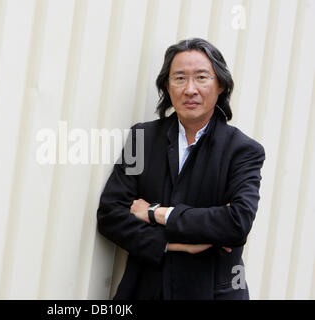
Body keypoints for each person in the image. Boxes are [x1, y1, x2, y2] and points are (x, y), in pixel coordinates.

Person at [97, 38, 265, 300]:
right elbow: (111, 214)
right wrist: (170, 244)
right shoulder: (141, 138)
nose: (190, 89)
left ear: (220, 84)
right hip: (144, 290)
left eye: (201, 77)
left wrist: (156, 213)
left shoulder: (243, 150)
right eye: (179, 78)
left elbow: (236, 223)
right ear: (166, 86)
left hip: (211, 293)